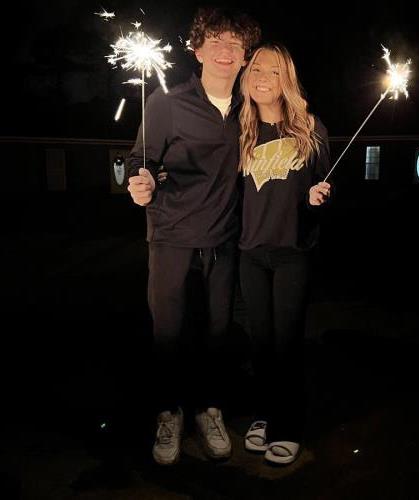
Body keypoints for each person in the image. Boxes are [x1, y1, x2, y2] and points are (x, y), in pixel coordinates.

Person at [126, 7, 261, 465]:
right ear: (197, 49)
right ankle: (168, 413)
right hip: (171, 236)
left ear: (245, 56)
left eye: (235, 43)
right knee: (169, 332)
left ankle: (208, 409)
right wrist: (140, 182)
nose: (226, 50)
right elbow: (139, 160)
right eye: (216, 41)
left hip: (223, 239)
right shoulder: (167, 101)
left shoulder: (251, 109)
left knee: (217, 331)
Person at [238, 43, 331, 465]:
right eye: (257, 68)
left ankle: (289, 424)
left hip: (292, 253)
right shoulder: (240, 130)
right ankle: (264, 414)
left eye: (273, 71)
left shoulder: (309, 129)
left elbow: (324, 186)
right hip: (251, 254)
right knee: (260, 343)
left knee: (287, 343)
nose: (262, 77)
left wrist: (317, 197)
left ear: (286, 79)